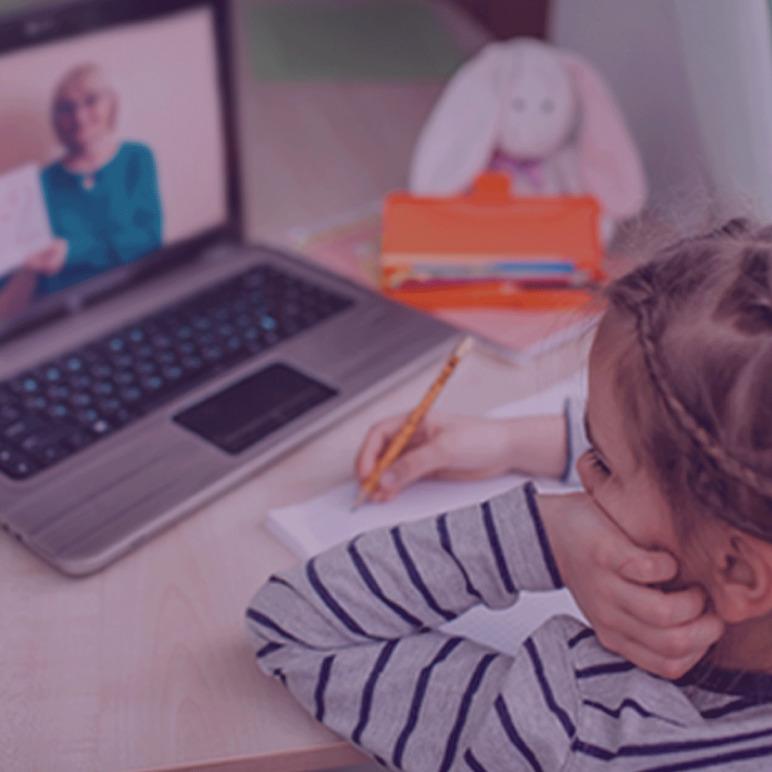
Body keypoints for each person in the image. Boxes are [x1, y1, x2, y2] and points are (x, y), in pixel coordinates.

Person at [245, 219, 772, 770]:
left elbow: (294, 623)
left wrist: (543, 535)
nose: (580, 472)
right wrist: (513, 440)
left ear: (737, 570)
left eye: (603, 464)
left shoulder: (579, 724)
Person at [0, 62, 162, 317]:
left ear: (111, 105)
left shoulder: (137, 158)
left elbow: (149, 238)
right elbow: (7, 263)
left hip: (129, 301)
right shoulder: (40, 181)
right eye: (66, 107)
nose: (79, 116)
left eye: (90, 101)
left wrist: (72, 250)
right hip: (59, 314)